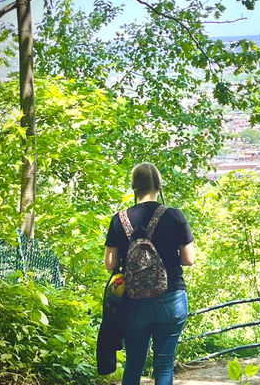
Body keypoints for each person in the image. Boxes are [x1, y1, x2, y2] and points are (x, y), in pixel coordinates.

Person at [104, 163, 196, 385]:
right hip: (171, 297)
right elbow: (188, 259)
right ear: (158, 184)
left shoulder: (119, 219)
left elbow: (110, 264)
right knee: (164, 365)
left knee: (134, 364)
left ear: (133, 186)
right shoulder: (174, 216)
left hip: (134, 301)